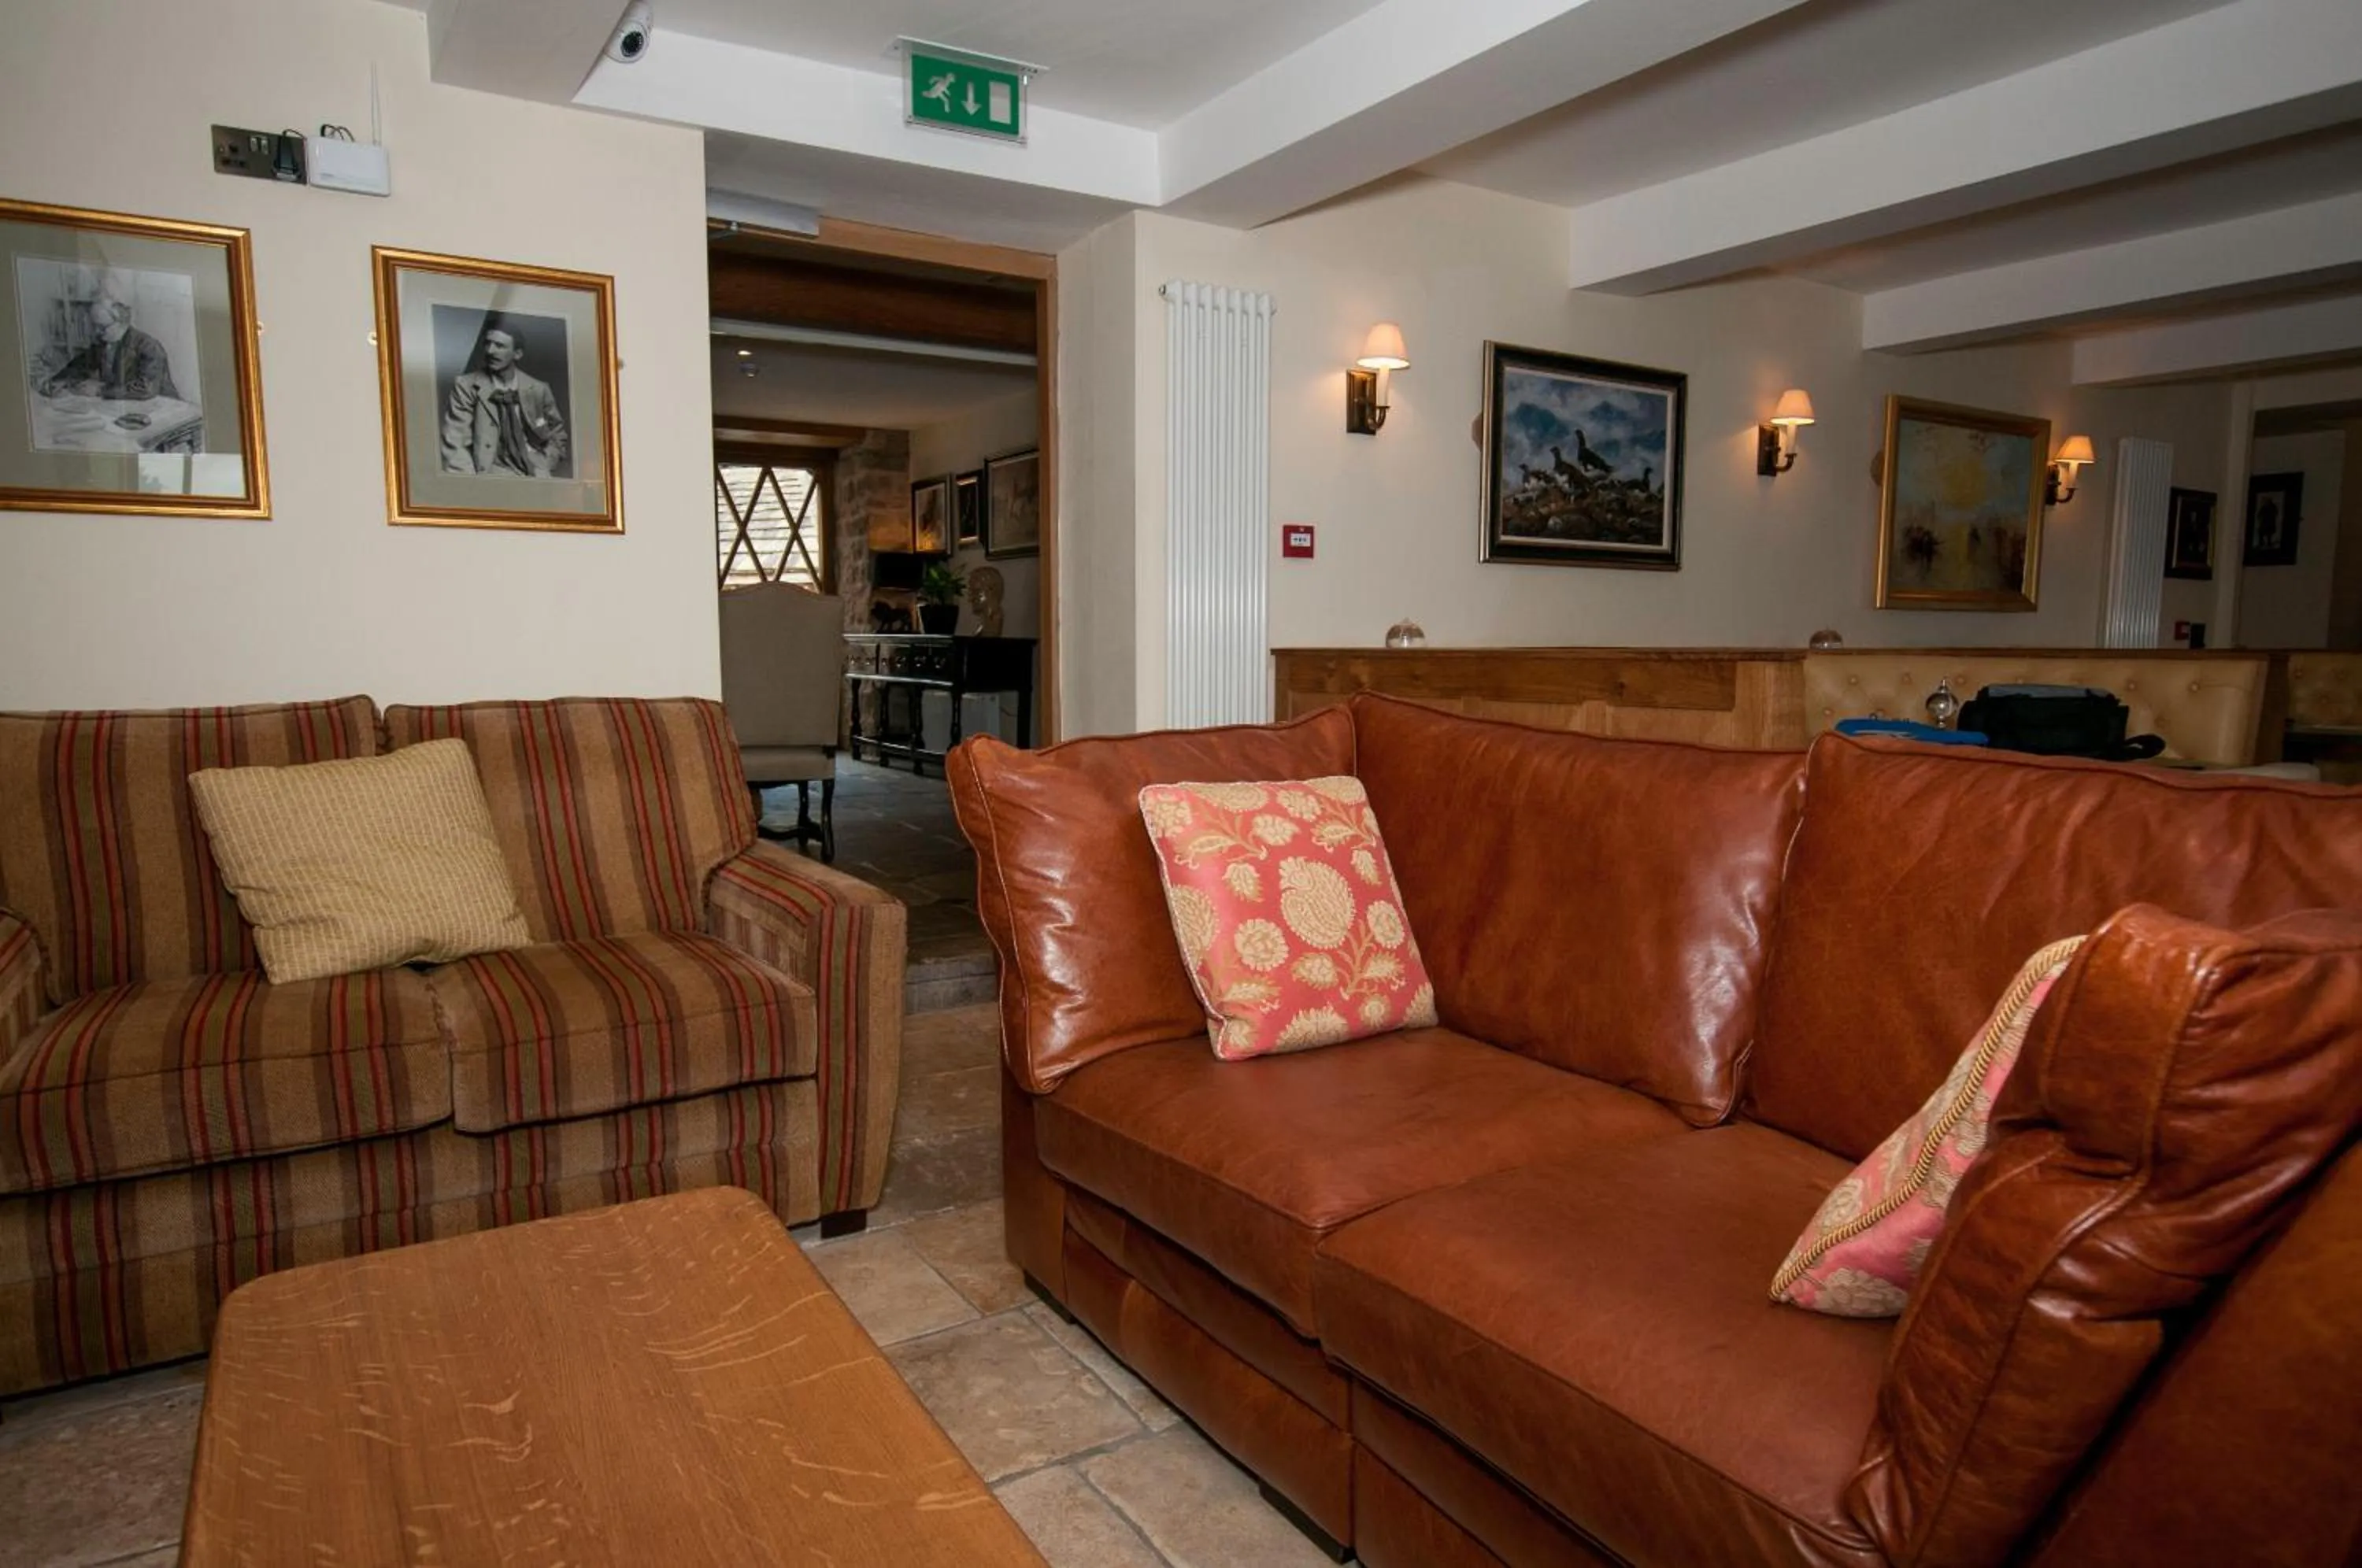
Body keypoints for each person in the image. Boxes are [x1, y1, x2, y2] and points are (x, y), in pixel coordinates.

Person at [440, 317, 567, 476]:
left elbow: (557, 433)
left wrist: (545, 464)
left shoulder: (539, 389)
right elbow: (455, 442)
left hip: (533, 471)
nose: (490, 351)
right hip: (489, 472)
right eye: (488, 343)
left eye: (499, 346)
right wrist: (473, 485)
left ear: (517, 354)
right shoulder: (465, 385)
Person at [38, 272, 180, 401]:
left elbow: (146, 388)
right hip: (126, 408)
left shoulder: (149, 346)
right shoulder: (102, 344)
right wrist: (59, 381)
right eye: (94, 326)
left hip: (165, 408)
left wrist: (100, 390)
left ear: (122, 322)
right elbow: (78, 367)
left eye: (102, 327)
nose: (97, 332)